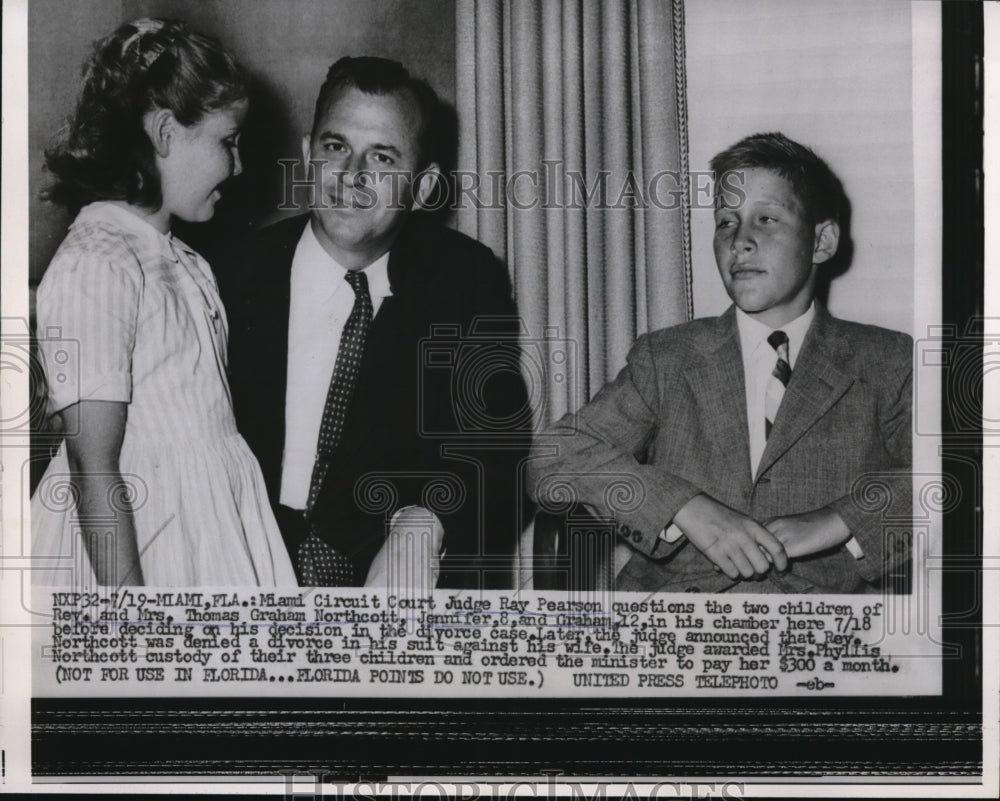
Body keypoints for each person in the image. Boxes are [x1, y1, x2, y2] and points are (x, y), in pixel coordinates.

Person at [527, 132, 912, 594]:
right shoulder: (667, 358)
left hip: (826, 622)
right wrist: (686, 508)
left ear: (822, 241)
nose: (741, 241)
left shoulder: (886, 361)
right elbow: (553, 455)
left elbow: (957, 477)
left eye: (766, 219)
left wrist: (838, 520)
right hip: (679, 623)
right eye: (726, 222)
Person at [215, 57, 530, 589]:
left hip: (393, 593)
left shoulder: (463, 280)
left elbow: (493, 446)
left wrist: (427, 521)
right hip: (236, 571)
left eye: (382, 158)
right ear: (307, 155)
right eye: (335, 147)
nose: (351, 176)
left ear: (425, 187)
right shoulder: (229, 273)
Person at [31, 18, 297, 587]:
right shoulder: (96, 263)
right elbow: (92, 466)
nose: (238, 164)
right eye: (228, 142)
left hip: (212, 523)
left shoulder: (185, 260)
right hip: (141, 545)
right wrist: (131, 621)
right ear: (166, 134)